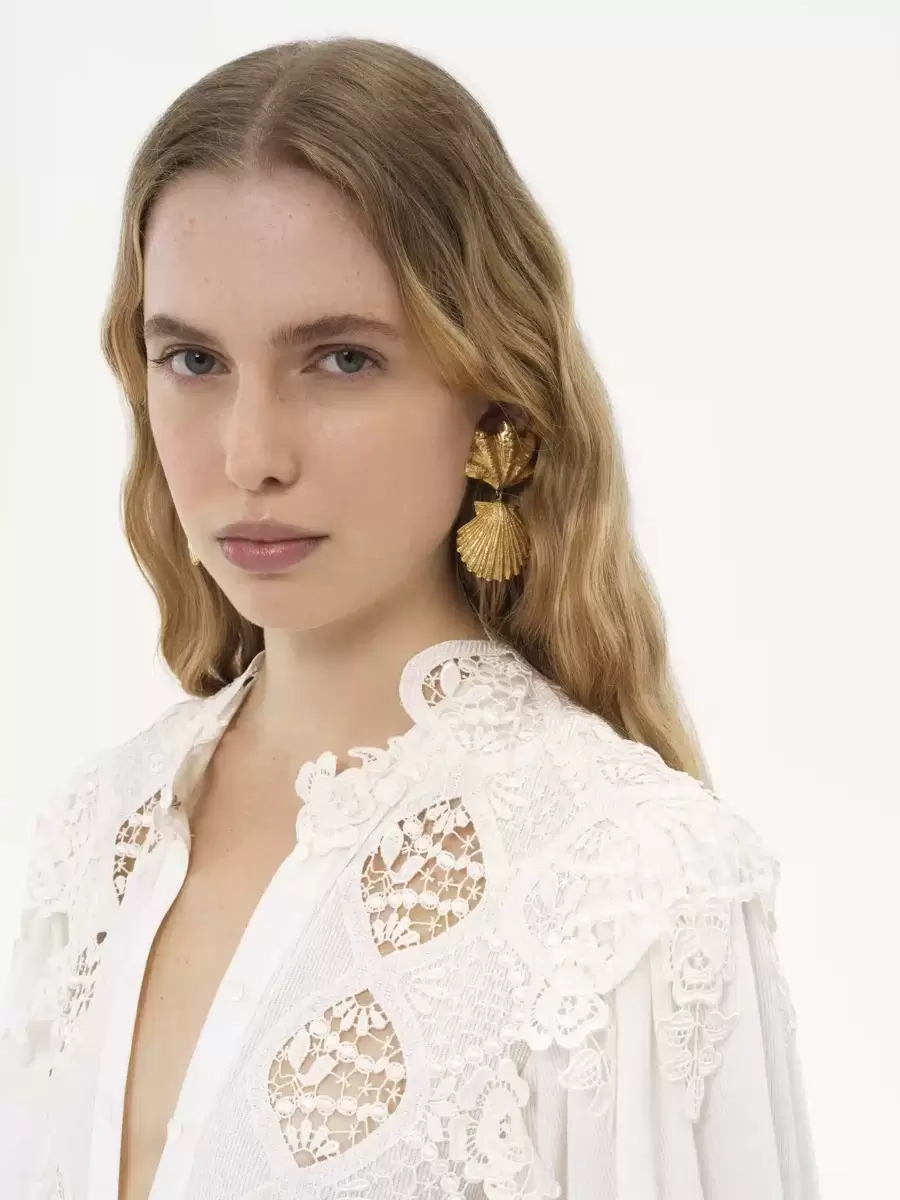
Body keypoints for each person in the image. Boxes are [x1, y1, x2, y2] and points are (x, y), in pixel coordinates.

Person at [0, 35, 820, 1200]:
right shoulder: (91, 838)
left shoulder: (631, 890)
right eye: (193, 359)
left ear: (494, 391)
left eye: (341, 359)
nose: (250, 454)